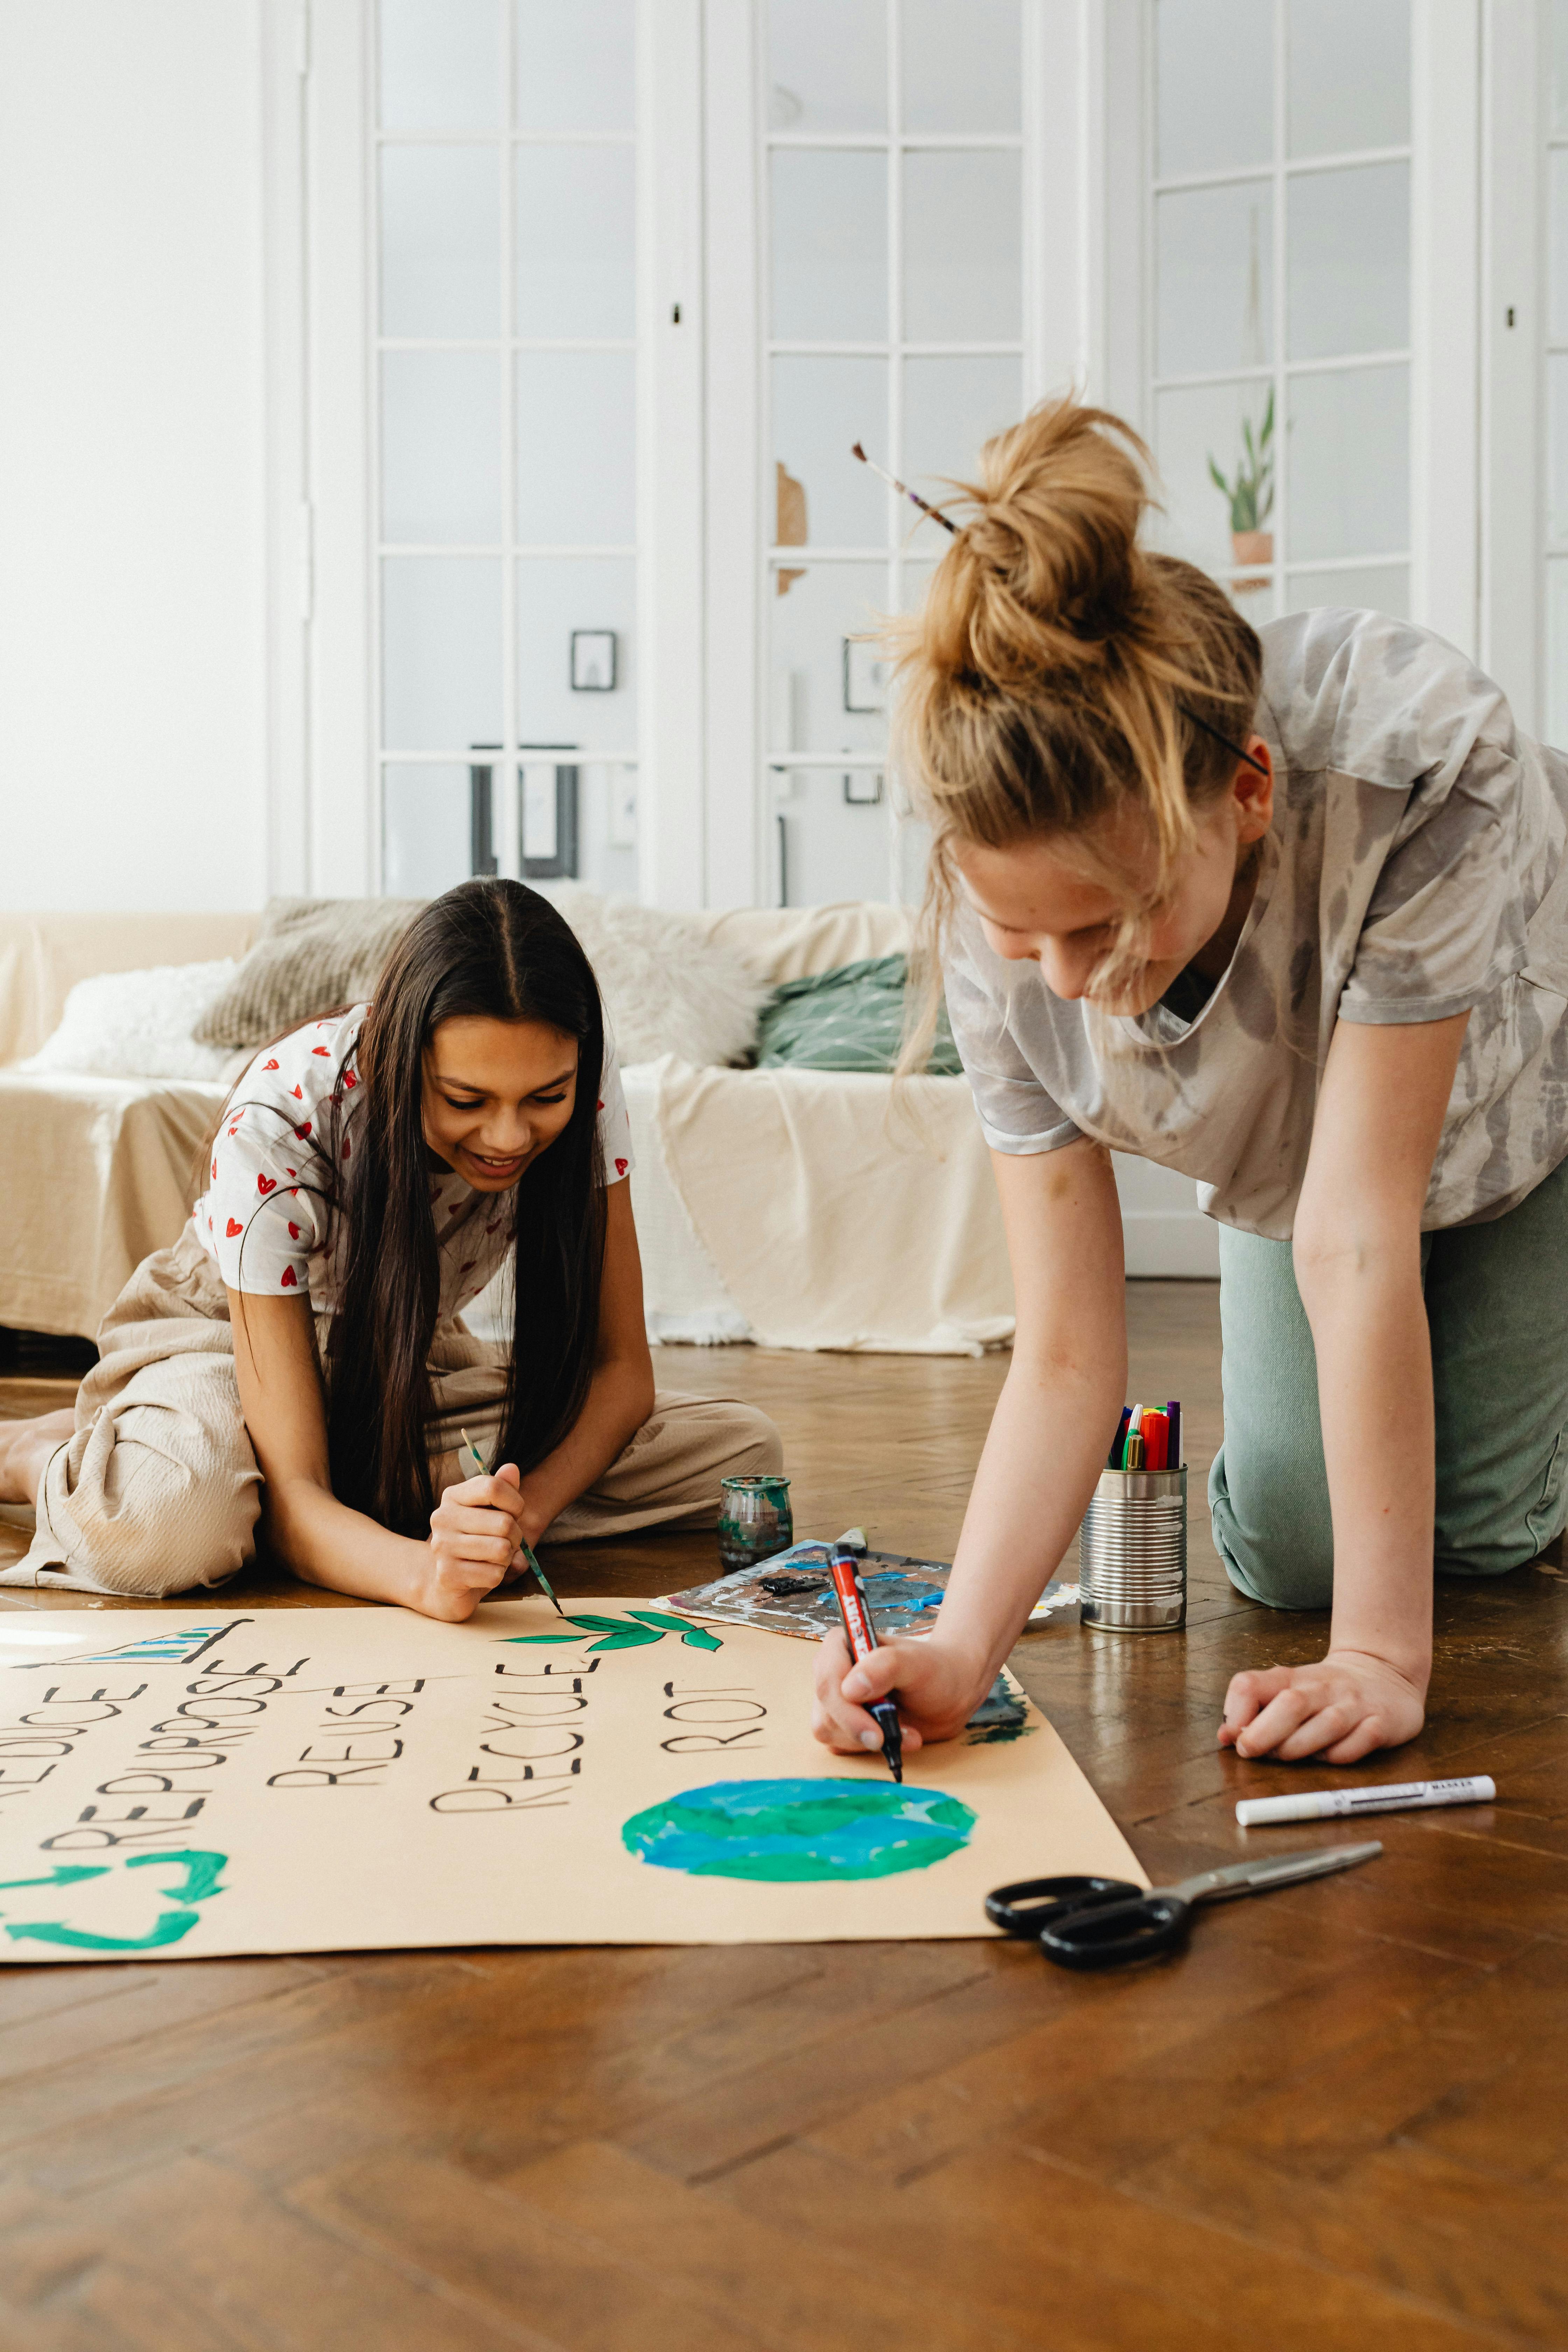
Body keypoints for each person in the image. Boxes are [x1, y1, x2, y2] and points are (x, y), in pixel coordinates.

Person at [814, 395, 1568, 1769]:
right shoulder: (1003, 911)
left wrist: (1383, 1660)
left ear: (1249, 793)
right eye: (1018, 932)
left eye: (1102, 927)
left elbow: (1356, 1238)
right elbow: (1062, 1348)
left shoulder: (1424, 760)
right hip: (1294, 1139)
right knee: (1291, 1552)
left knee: (1475, 1536)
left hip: (1516, 1090)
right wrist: (958, 1649)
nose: (1056, 980)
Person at [0, 880, 782, 1613]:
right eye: (465, 1100)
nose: (510, 1137)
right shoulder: (280, 1114)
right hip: (225, 1342)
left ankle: (248, 1490)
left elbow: (620, 1374)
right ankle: (45, 1462)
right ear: (400, 1063)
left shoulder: (581, 1070)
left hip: (403, 1355)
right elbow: (308, 1492)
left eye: (544, 1099)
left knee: (737, 1451)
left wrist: (521, 1518)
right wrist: (423, 1575)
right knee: (175, 1526)